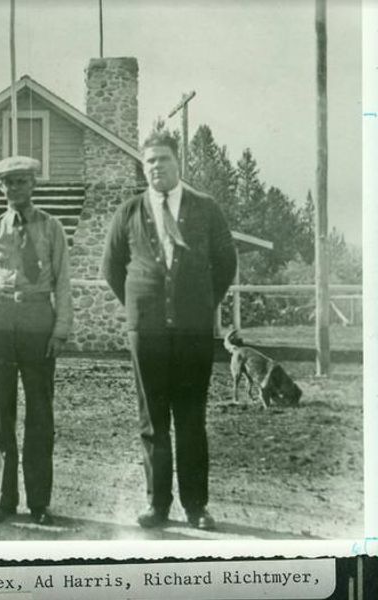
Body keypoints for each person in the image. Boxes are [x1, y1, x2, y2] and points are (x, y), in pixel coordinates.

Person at [101, 130, 237, 530]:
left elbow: (225, 263)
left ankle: (196, 507)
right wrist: (143, 307)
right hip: (148, 334)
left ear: (178, 163)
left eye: (162, 159)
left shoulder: (205, 208)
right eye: (149, 161)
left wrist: (200, 304)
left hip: (193, 332)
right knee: (153, 420)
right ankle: (156, 505)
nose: (156, 167)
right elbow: (111, 269)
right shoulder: (129, 212)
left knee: (191, 418)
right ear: (142, 168)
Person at [0, 155, 73, 526]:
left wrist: (60, 330)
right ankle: (5, 498)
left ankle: (40, 501)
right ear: (1, 189)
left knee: (41, 414)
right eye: (7, 183)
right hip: (0, 319)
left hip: (36, 319)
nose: (14, 189)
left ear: (34, 184)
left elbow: (62, 282)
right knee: (2, 412)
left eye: (21, 181)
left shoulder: (51, 228)